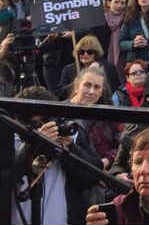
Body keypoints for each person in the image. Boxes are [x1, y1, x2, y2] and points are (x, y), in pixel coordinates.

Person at [10, 86, 104, 225]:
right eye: (35, 123)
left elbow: (92, 176)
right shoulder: (10, 142)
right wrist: (33, 146)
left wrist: (69, 148)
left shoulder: (66, 138)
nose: (42, 127)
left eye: (46, 120)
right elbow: (8, 177)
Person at [69, 66, 121, 170]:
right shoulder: (59, 112)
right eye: (87, 85)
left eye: (97, 87)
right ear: (76, 85)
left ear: (102, 91)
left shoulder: (108, 116)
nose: (91, 91)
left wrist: (107, 160)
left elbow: (123, 144)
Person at [57, 35, 121, 99]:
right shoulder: (68, 69)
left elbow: (115, 89)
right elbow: (60, 94)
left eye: (89, 52)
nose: (85, 54)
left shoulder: (107, 67)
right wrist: (75, 83)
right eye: (81, 52)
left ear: (96, 53)